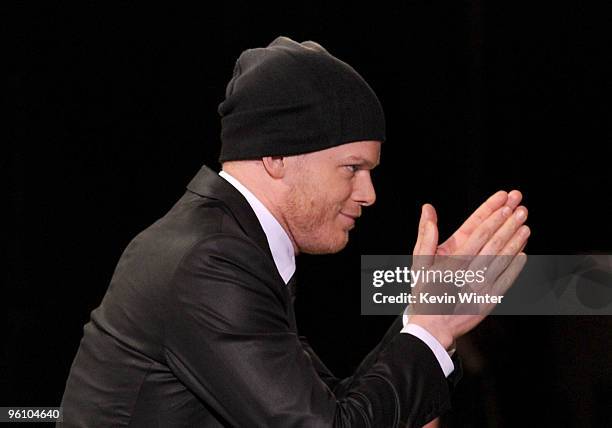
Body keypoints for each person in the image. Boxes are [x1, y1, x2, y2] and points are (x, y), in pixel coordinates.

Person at [58, 36, 530, 427]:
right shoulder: (212, 261)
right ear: (276, 157)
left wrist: (422, 322)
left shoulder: (227, 243)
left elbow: (338, 408)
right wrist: (431, 328)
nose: (369, 194)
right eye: (351, 168)